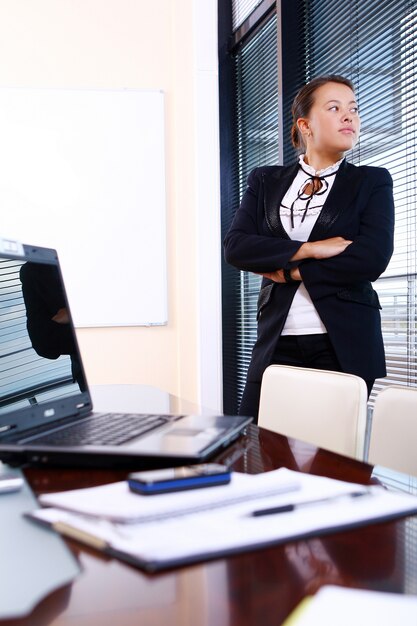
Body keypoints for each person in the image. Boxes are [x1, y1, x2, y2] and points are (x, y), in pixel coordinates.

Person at [224, 75, 395, 422]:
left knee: (334, 463)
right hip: (276, 339)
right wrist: (310, 249)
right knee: (254, 446)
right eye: (334, 108)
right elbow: (237, 246)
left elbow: (371, 257)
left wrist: (287, 270)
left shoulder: (372, 181)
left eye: (354, 109)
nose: (349, 117)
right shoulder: (265, 180)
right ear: (305, 125)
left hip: (343, 342)